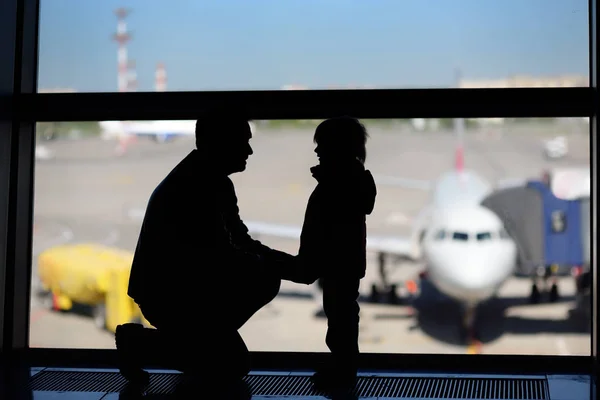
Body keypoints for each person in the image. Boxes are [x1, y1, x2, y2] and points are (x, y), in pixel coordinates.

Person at [115, 109, 299, 393]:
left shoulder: (209, 180)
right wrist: (282, 267)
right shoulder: (197, 187)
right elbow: (221, 256)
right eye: (243, 142)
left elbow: (238, 243)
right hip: (170, 295)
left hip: (178, 289)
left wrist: (289, 265)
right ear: (220, 143)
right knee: (232, 364)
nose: (249, 150)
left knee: (263, 280)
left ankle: (191, 341)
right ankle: (143, 343)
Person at [296, 117, 377, 393]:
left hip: (338, 265)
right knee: (341, 316)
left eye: (322, 145)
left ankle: (343, 371)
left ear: (339, 148)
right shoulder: (348, 180)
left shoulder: (341, 183)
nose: (317, 151)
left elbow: (328, 226)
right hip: (343, 264)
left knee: (340, 318)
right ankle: (342, 367)